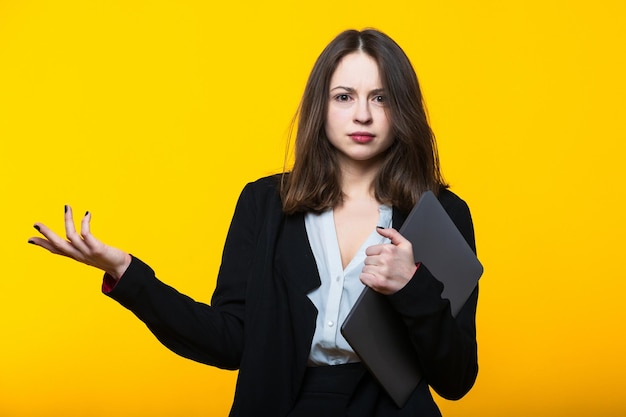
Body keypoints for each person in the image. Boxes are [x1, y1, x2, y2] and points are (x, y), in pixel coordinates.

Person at [29, 29, 479, 417]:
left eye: (380, 98)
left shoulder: (441, 216)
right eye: (344, 97)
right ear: (320, 108)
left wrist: (411, 285)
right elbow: (229, 340)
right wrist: (127, 274)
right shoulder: (265, 204)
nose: (362, 114)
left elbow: (456, 379)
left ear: (403, 108)